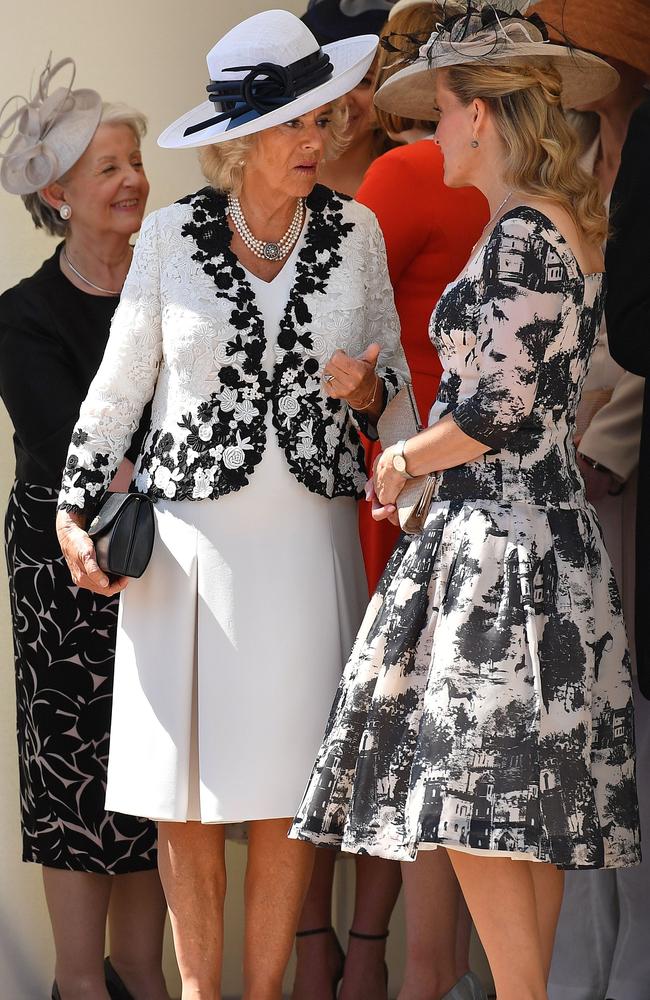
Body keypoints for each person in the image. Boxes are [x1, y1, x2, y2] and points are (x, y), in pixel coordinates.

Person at [55, 12, 409, 1000]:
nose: (314, 140)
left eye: (320, 120)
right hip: (184, 554)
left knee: (285, 801)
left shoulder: (357, 234)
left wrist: (369, 398)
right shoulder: (168, 239)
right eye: (292, 124)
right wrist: (75, 508)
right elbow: (117, 395)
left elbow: (399, 397)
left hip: (305, 546)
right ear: (236, 141)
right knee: (185, 806)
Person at [290, 5, 641, 1000]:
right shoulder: (530, 229)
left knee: (478, 804)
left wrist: (401, 453)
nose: (429, 133)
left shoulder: (525, 235)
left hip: (503, 550)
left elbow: (495, 411)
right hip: (520, 537)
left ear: (481, 117)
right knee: (509, 810)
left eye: (440, 112)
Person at [0, 58, 168, 1000]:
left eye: (135, 161)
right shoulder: (21, 318)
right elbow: (80, 451)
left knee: (152, 790)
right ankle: (76, 983)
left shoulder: (172, 293)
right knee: (74, 782)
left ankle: (143, 981)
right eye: (108, 167)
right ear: (58, 194)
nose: (132, 180)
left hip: (169, 567)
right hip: (63, 577)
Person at [359, 4, 490, 999]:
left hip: (412, 489)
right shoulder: (533, 190)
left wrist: (391, 459)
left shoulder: (398, 178)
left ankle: (400, 969)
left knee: (411, 747)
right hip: (471, 487)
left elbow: (359, 341)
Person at [527, 4, 650, 998]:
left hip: (615, 487)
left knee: (628, 746)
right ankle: (576, 976)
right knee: (570, 749)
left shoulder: (637, 151)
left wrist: (597, 443)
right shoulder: (574, 161)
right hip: (559, 490)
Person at [303, 0, 396, 196]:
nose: (343, 101)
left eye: (363, 81)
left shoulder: (414, 181)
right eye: (328, 80)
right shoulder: (265, 182)